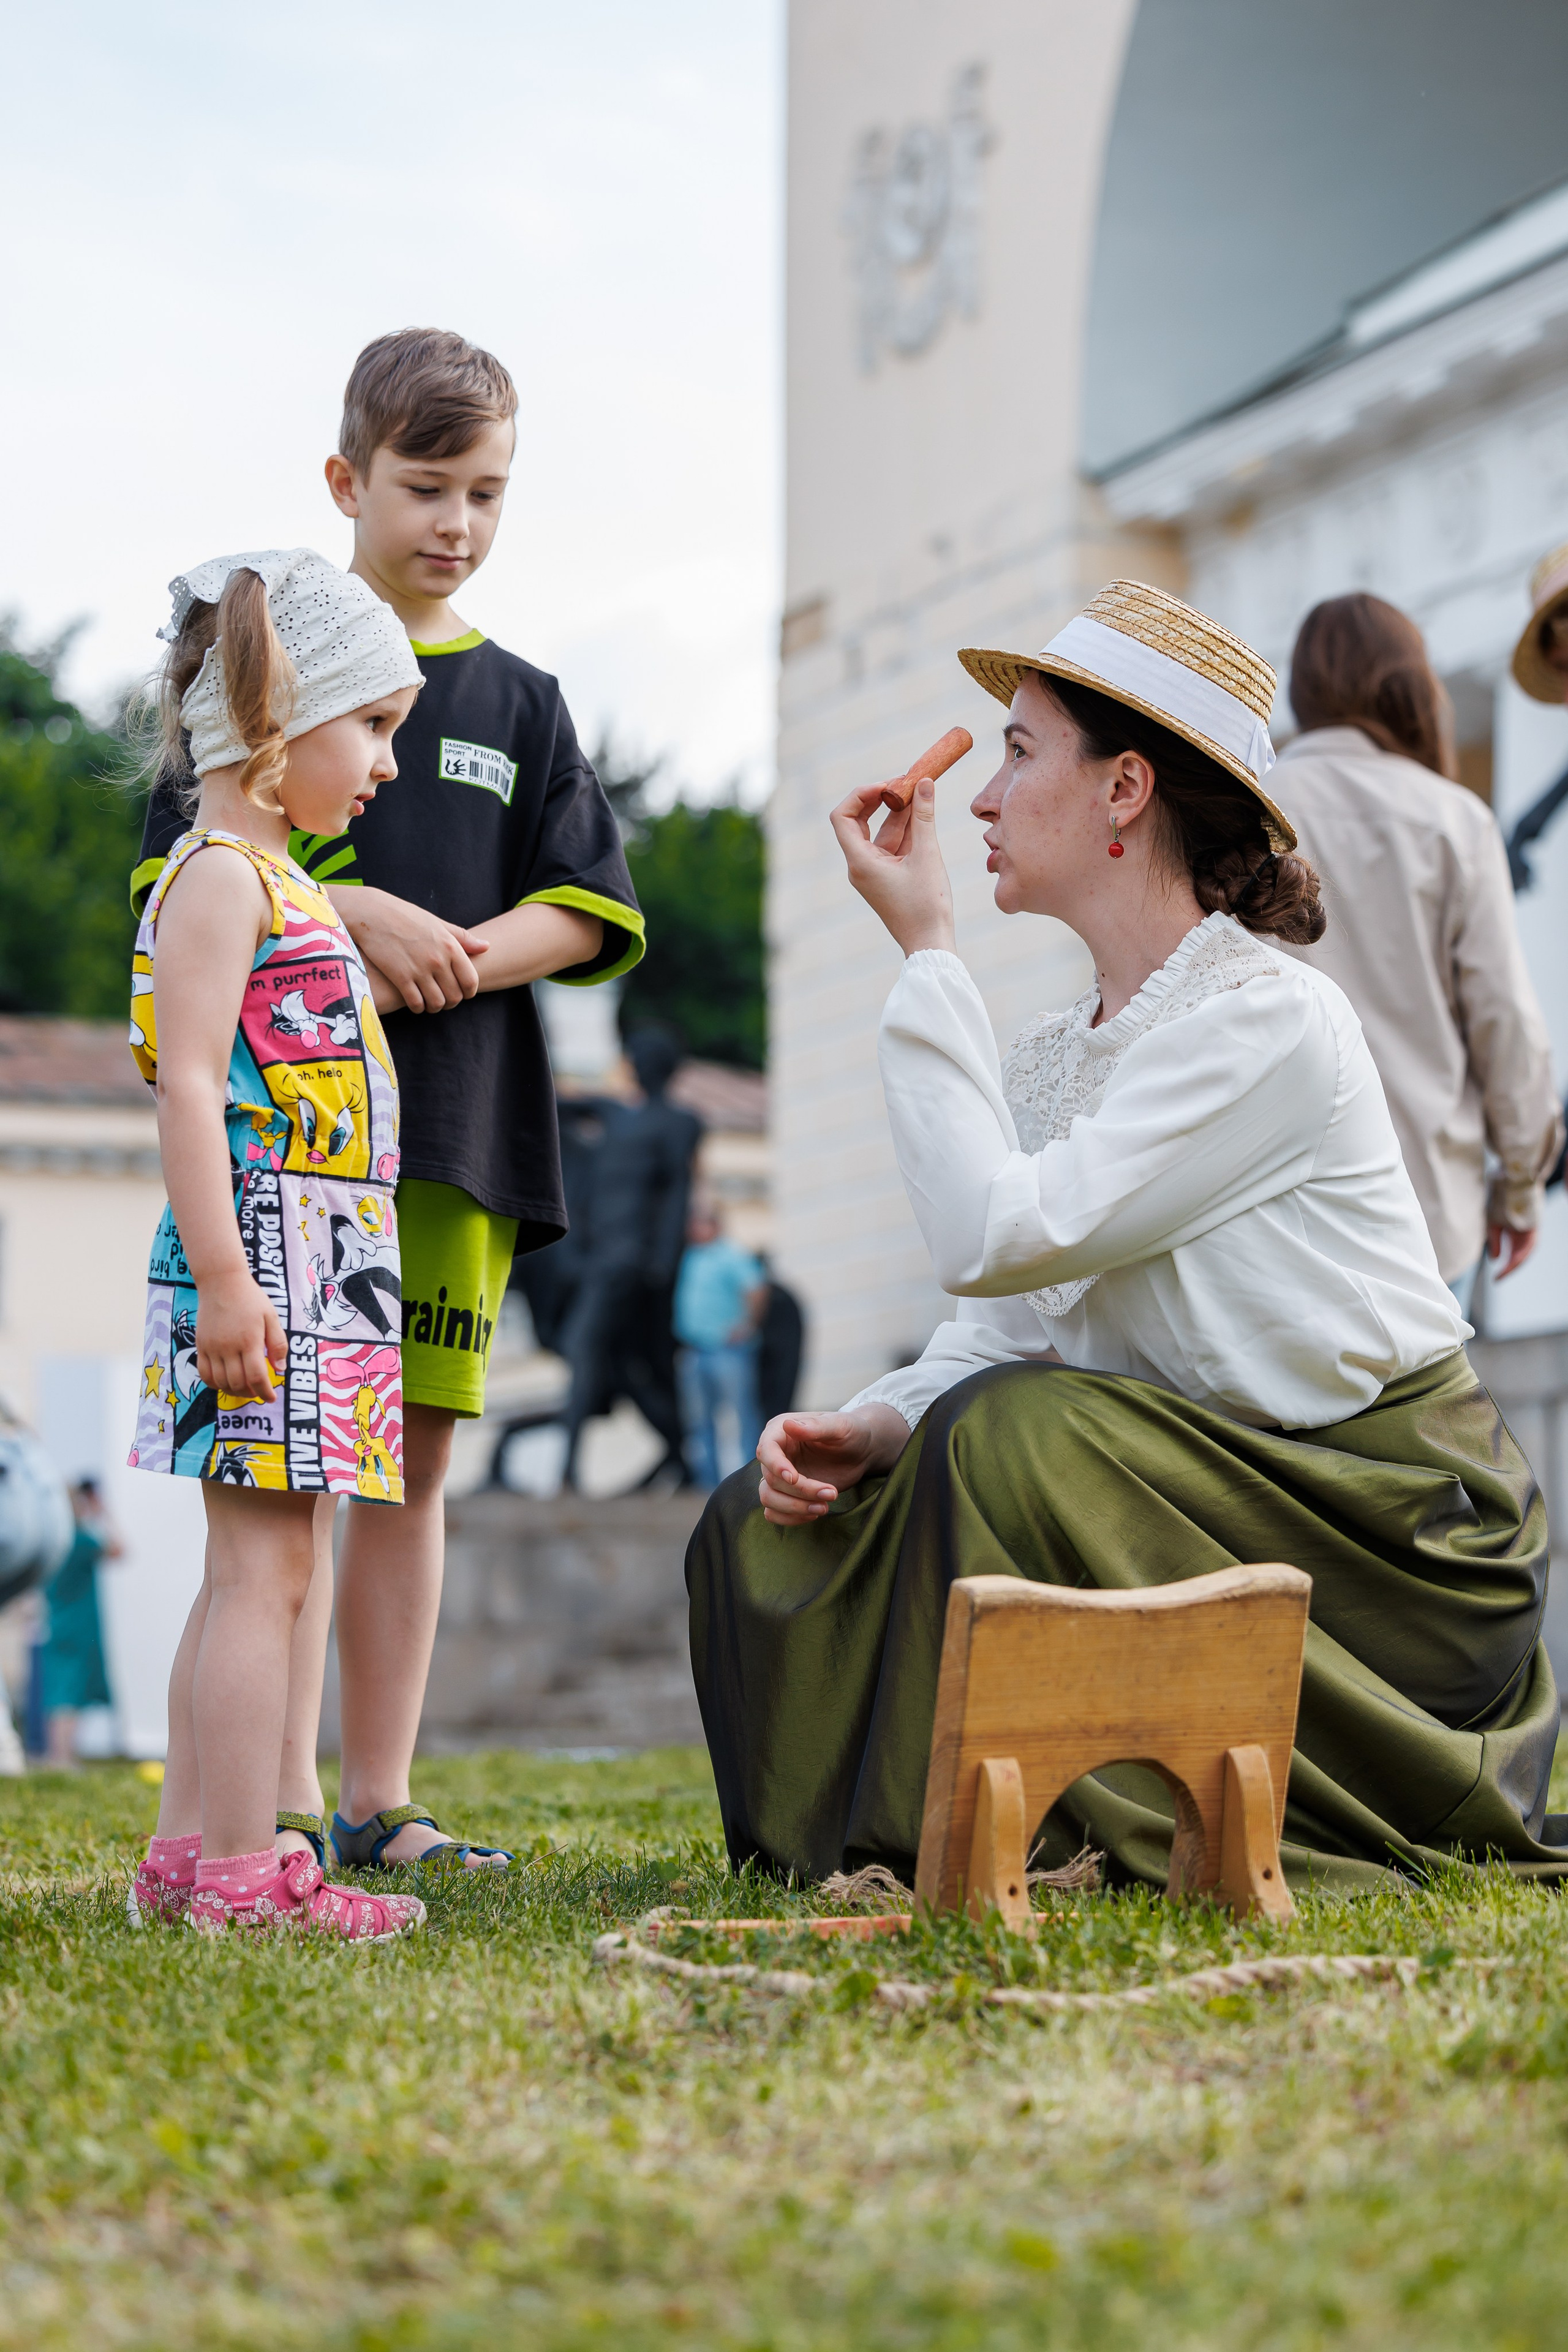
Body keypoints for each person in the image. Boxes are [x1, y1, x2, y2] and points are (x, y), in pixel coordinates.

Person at [687, 578, 1568, 1894]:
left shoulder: (1265, 1022)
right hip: (1191, 1491)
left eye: (1018, 751)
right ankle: (872, 1838)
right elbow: (996, 1327)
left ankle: (1011, 1830)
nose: (980, 798)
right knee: (757, 1524)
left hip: (1394, 1542)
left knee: (1012, 1435)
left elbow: (992, 1239)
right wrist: (873, 1423)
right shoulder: (1060, 1055)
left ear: (1123, 791)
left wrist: (925, 948)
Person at [134, 331, 645, 1875]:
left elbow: (591, 902)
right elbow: (195, 887)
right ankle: (265, 1803)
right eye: (427, 485)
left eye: (487, 490)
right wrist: (365, 920)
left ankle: (379, 1795)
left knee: (406, 1462)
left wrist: (468, 952)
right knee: (279, 1493)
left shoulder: (524, 700)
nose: (457, 521)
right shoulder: (256, 659)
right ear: (349, 479)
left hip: (458, 1141)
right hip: (285, 1165)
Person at [126, 549, 427, 1939]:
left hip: (325, 1269)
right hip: (271, 1268)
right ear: (275, 710)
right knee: (265, 1572)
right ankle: (246, 1873)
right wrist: (231, 1283)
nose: (382, 764)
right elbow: (189, 1082)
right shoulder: (221, 878)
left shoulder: (276, 877)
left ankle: (195, 1850)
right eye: (371, 726)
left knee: (259, 1563)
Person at [1272, 593, 1559, 1316]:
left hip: (1276, 1209)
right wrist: (1520, 1188)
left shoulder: (1245, 810)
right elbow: (1504, 1022)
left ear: (1302, 688)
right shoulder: (1454, 819)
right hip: (1429, 1215)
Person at [558, 1028, 702, 1489]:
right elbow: (556, 1106)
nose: (632, 1065)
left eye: (637, 1057)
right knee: (637, 1363)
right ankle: (681, 1460)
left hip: (633, 1262)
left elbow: (678, 1192)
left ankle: (568, 1470)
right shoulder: (614, 1114)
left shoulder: (678, 1121)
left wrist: (665, 1259)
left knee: (590, 1349)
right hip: (603, 1258)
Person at [674, 1204, 767, 1488]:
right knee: (699, 1424)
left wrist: (748, 1326)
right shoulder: (691, 1256)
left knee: (742, 1419)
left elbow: (756, 1289)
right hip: (695, 1349)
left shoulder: (731, 1254)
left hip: (728, 1351)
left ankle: (751, 1484)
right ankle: (709, 1486)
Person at [39, 1480, 121, 1766]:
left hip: (56, 1621)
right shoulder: (82, 1540)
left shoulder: (52, 1541)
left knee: (59, 1687)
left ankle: (56, 1755)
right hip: (79, 1624)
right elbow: (119, 1550)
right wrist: (103, 1514)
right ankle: (62, 1758)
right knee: (71, 1690)